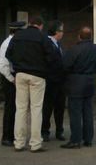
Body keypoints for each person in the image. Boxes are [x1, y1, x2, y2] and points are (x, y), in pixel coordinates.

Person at [5, 16, 58, 153]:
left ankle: (19, 143)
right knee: (36, 109)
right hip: (37, 76)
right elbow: (51, 57)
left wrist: (18, 65)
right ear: (40, 26)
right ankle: (35, 143)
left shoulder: (17, 36)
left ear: (29, 24)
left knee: (21, 109)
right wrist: (43, 66)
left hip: (20, 74)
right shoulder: (43, 38)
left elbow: (8, 54)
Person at [61, 26, 96, 149]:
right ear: (91, 36)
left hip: (75, 84)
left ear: (79, 36)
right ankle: (88, 139)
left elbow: (65, 66)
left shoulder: (74, 50)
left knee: (75, 113)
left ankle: (75, 140)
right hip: (89, 83)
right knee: (88, 112)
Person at [0, 20, 27, 146]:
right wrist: (12, 79)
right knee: (10, 107)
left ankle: (13, 135)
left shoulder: (14, 41)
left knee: (15, 107)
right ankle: (7, 137)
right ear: (18, 31)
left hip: (13, 76)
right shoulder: (7, 43)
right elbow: (3, 65)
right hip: (8, 77)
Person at [41, 20, 66, 142]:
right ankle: (45, 131)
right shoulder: (47, 43)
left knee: (60, 107)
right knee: (47, 107)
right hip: (50, 81)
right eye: (62, 30)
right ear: (57, 32)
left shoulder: (57, 44)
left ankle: (59, 130)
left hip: (60, 82)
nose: (63, 33)